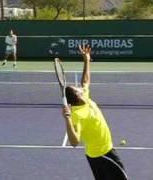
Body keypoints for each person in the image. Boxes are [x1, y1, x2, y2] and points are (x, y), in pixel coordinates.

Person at [62, 45, 128, 180]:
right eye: (77, 89)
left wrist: (86, 60)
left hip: (99, 153)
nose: (80, 88)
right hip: (103, 154)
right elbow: (74, 142)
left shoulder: (84, 97)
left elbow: (85, 81)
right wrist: (67, 118)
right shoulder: (77, 115)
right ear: (77, 96)